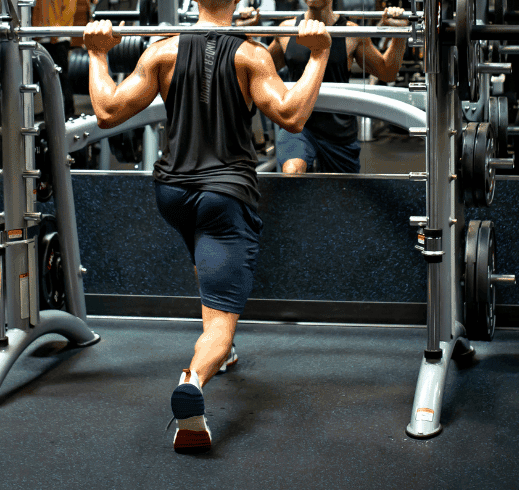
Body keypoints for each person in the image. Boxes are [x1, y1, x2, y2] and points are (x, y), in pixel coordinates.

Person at [83, 0, 330, 453]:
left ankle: (219, 358)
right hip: (223, 195)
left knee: (206, 257)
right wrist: (319, 54)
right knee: (219, 325)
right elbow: (292, 114)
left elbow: (107, 111)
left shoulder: (161, 51)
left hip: (172, 192)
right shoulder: (251, 55)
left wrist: (98, 54)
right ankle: (193, 383)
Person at [266, 0, 407, 173]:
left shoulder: (351, 32)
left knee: (343, 193)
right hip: (298, 126)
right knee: (292, 170)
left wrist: (399, 34)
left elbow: (387, 72)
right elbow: (259, 70)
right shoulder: (286, 30)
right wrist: (245, 35)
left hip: (339, 131)